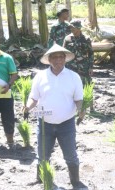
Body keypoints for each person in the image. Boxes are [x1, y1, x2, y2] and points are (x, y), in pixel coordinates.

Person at [23, 44, 87, 189]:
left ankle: (75, 181)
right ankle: (41, 179)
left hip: (66, 123)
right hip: (45, 123)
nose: (58, 60)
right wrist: (28, 106)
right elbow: (34, 97)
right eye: (54, 57)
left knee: (70, 155)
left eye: (61, 57)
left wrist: (81, 110)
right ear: (49, 59)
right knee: (43, 155)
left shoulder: (73, 77)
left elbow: (78, 99)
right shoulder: (40, 76)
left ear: (65, 58)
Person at [63, 20, 94, 85]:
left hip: (83, 67)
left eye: (73, 27)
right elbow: (63, 53)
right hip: (70, 66)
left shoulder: (86, 39)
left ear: (79, 28)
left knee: (85, 85)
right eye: (70, 27)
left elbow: (90, 53)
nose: (71, 29)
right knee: (70, 85)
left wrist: (91, 67)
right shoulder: (67, 39)